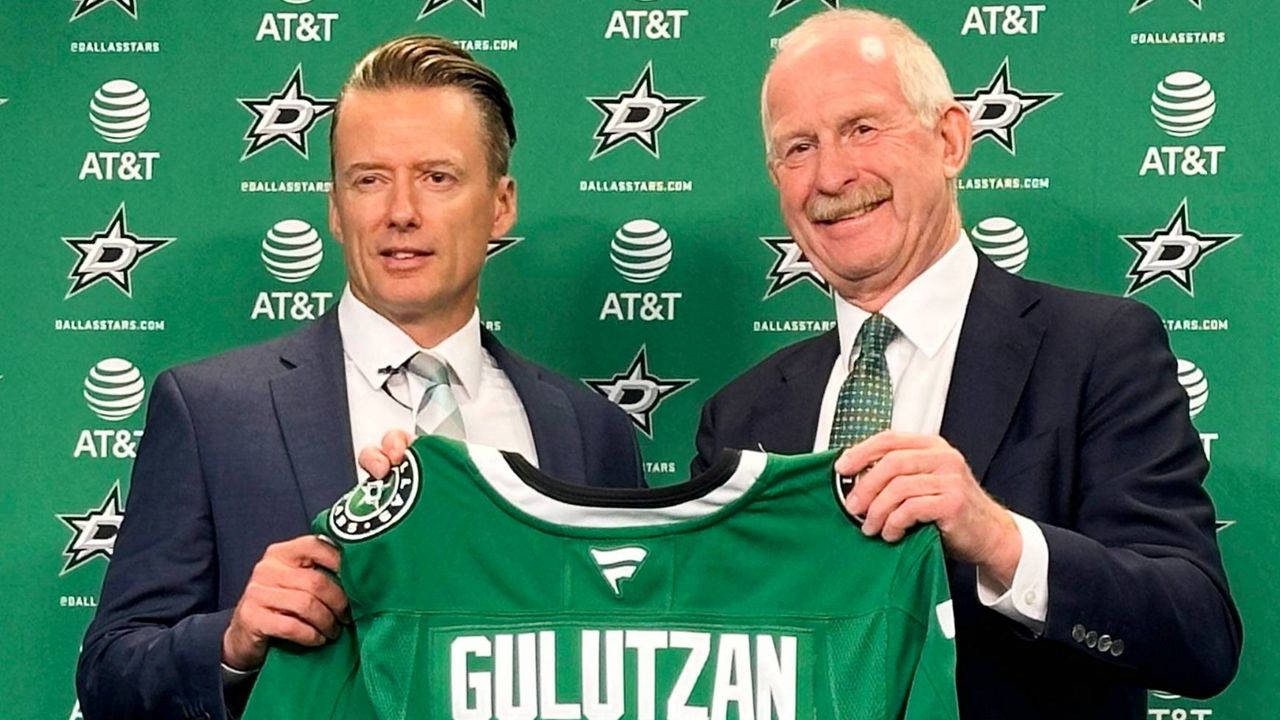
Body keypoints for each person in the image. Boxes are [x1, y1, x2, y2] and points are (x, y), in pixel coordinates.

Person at [691, 9, 1241, 719]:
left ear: (950, 139)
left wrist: (999, 539)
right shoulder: (739, 415)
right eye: (798, 147)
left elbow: (1197, 637)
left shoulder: (1099, 349)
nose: (831, 174)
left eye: (863, 128)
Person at [76, 35, 643, 720]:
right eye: (369, 179)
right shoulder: (212, 412)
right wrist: (233, 640)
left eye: (437, 177)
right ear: (335, 210)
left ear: (501, 204)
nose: (400, 211)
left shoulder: (592, 432)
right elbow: (110, 676)